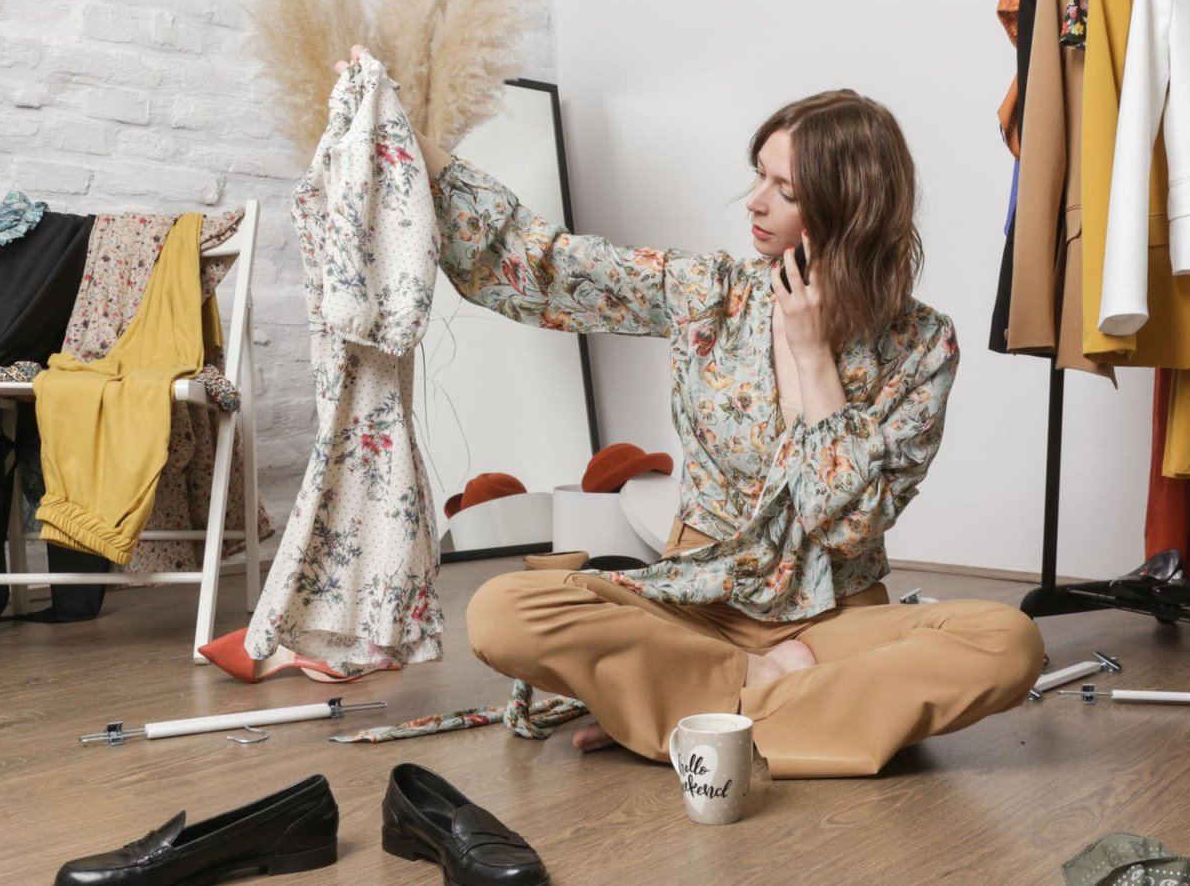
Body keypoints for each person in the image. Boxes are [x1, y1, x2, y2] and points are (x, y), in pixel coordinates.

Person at [339, 46, 1045, 778]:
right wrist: (414, 145)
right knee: (502, 612)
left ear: (850, 212)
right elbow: (543, 267)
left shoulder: (922, 344)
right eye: (758, 176)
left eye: (785, 189)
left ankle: (688, 712)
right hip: (696, 603)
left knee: (1007, 643)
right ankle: (773, 699)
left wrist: (810, 354)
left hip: (838, 617)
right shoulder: (713, 292)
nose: (755, 202)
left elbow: (848, 521)